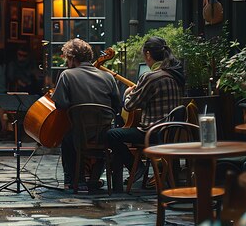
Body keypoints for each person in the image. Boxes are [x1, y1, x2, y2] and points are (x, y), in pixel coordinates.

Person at [106, 36, 185, 192]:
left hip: (152, 133)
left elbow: (129, 106)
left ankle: (136, 168)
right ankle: (139, 169)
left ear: (148, 55)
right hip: (170, 132)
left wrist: (128, 93)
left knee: (111, 135)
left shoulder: (150, 77)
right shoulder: (176, 76)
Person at [51, 38, 122, 192]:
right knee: (97, 140)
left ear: (72, 58)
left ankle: (73, 181)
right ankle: (94, 178)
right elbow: (117, 106)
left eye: (67, 58)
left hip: (78, 134)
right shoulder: (108, 77)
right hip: (104, 134)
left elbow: (61, 104)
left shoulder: (67, 75)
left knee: (67, 136)